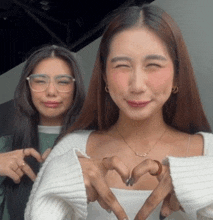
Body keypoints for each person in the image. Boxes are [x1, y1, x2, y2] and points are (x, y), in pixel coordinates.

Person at [25, 5, 213, 220]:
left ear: (177, 75)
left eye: (153, 65)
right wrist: (59, 185)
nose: (137, 85)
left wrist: (203, 182)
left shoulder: (209, 152)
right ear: (104, 75)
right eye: (122, 66)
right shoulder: (71, 149)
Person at [0, 45, 85, 220]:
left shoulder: (93, 144)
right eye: (40, 81)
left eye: (63, 81)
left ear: (75, 87)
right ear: (28, 86)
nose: (51, 91)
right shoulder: (4, 147)